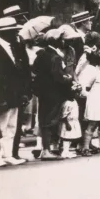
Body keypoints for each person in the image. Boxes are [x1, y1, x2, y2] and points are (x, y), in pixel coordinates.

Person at [31, 30, 76, 160]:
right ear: (57, 41)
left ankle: (45, 149)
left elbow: (35, 71)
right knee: (50, 121)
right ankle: (46, 150)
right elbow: (57, 76)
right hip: (54, 93)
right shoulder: (55, 57)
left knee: (43, 119)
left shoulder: (41, 54)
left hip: (43, 93)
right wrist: (67, 78)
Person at [0, 17, 28, 167]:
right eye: (13, 31)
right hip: (4, 94)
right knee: (0, 127)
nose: (16, 33)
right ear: (5, 33)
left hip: (14, 94)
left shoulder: (13, 47)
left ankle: (7, 155)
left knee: (11, 127)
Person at [78, 49, 100, 155]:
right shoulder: (94, 72)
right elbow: (87, 88)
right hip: (96, 102)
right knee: (92, 125)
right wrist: (92, 97)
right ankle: (85, 148)